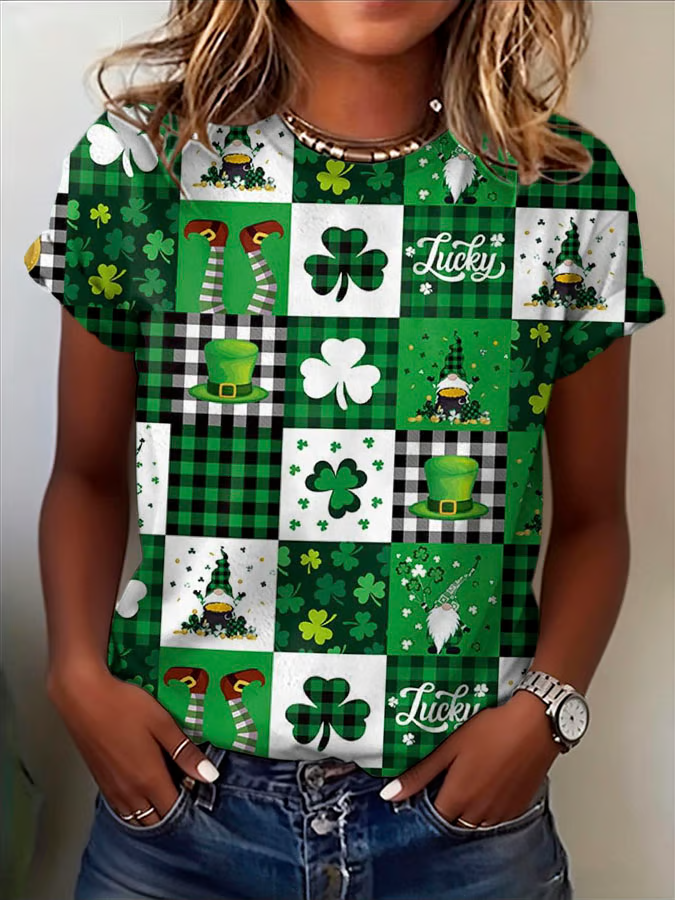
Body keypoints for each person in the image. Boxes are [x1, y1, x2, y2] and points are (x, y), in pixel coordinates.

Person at [22, 2, 666, 899]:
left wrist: (544, 716)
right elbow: (87, 474)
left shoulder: (563, 190)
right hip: (179, 817)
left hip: (463, 830)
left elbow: (594, 518)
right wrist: (75, 677)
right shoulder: (138, 165)